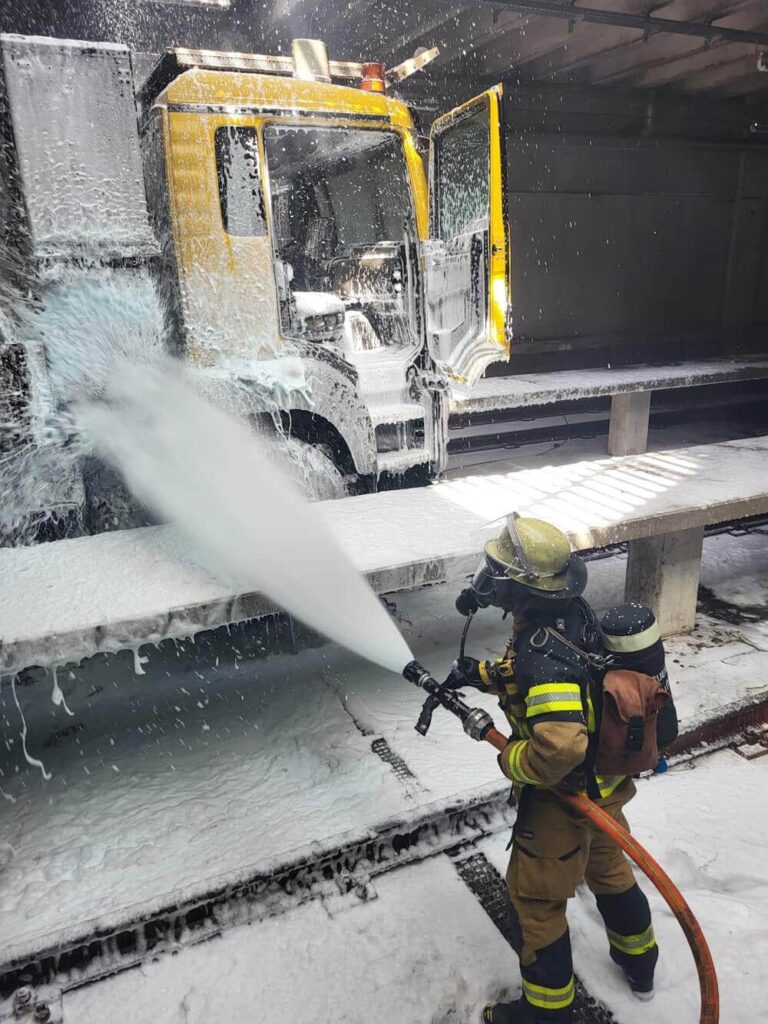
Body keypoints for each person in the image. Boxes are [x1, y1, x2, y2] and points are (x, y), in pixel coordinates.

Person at [448, 514, 659, 1024]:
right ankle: (641, 966)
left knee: (536, 902)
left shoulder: (541, 652)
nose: (489, 579)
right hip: (605, 787)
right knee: (609, 871)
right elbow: (563, 676)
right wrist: (482, 675)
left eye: (499, 572)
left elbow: (560, 745)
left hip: (562, 799)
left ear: (523, 591)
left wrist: (512, 760)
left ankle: (547, 1015)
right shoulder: (572, 613)